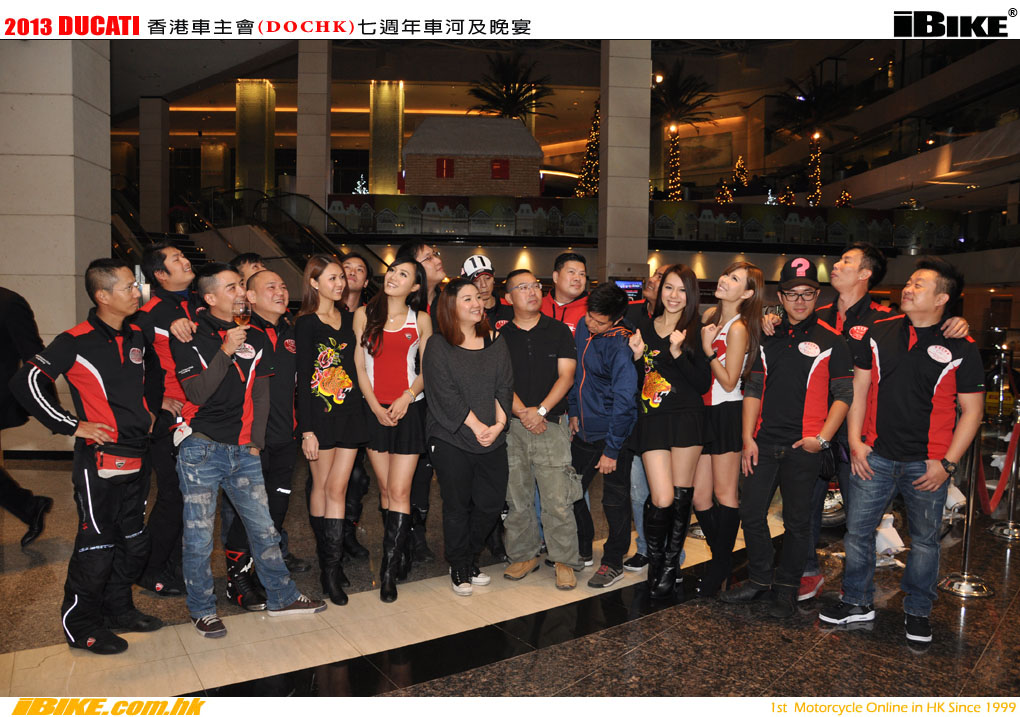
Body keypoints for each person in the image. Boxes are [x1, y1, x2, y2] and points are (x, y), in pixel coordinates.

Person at [821, 257, 984, 644]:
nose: (908, 289)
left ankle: (918, 610)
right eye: (908, 282)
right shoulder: (879, 330)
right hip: (874, 455)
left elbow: (973, 411)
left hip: (928, 463)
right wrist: (856, 442)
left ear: (942, 298)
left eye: (919, 285)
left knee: (925, 541)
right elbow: (860, 388)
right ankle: (857, 601)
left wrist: (948, 464)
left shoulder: (961, 345)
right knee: (858, 534)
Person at [11, 259, 161, 654]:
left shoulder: (136, 335)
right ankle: (81, 626)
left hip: (138, 454)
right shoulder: (75, 341)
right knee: (97, 546)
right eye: (128, 287)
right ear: (102, 296)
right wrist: (71, 424)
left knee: (134, 542)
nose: (137, 292)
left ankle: (118, 609)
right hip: (99, 462)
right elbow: (26, 381)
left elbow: (145, 379)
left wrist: (149, 409)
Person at [171, 263, 325, 637]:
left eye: (241, 285)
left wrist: (254, 442)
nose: (241, 292)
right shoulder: (189, 334)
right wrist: (226, 349)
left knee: (265, 530)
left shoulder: (254, 335)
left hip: (243, 451)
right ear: (210, 298)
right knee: (199, 538)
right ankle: (202, 609)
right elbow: (196, 393)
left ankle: (281, 596)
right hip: (201, 449)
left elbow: (260, 392)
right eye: (232, 287)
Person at [721, 257, 852, 619]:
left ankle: (788, 589)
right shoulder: (767, 335)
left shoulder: (832, 340)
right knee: (751, 513)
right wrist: (747, 438)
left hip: (804, 447)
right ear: (780, 297)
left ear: (817, 296)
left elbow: (844, 395)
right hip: (762, 443)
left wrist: (821, 440)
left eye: (807, 293)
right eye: (792, 294)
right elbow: (753, 387)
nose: (799, 300)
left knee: (797, 522)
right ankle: (760, 579)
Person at [218, 269, 309, 611]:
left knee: (275, 513)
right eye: (271, 286)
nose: (281, 291)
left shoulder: (293, 332)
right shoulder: (238, 332)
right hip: (247, 441)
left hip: (285, 438)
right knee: (247, 514)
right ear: (251, 297)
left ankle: (259, 574)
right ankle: (237, 582)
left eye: (283, 285)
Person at [422, 278, 513, 596]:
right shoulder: (437, 345)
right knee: (457, 505)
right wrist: (476, 426)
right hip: (450, 436)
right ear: (451, 306)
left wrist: (499, 424)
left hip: (493, 434)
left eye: (478, 297)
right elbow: (445, 394)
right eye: (468, 299)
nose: (477, 303)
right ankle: (460, 564)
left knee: (490, 504)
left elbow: (504, 385)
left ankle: (469, 555)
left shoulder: (495, 339)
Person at [629, 264, 713, 599]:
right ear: (659, 290)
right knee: (661, 498)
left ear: (690, 295)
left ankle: (668, 564)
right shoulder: (644, 328)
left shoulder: (697, 330)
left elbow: (702, 383)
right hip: (653, 418)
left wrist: (678, 354)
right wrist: (638, 358)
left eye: (681, 290)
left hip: (687, 418)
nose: (674, 296)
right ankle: (656, 560)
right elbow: (645, 381)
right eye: (668, 288)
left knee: (680, 496)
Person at [353, 256, 432, 602]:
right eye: (391, 271)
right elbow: (360, 366)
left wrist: (407, 397)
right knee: (386, 490)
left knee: (399, 491)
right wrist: (374, 407)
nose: (393, 277)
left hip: (409, 411)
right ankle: (402, 550)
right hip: (374, 411)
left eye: (403, 274)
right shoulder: (364, 315)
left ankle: (388, 571)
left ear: (415, 286)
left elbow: (427, 369)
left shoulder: (421, 320)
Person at [500, 269, 583, 590]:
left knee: (558, 498)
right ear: (508, 298)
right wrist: (524, 413)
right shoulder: (500, 335)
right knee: (517, 497)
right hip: (513, 426)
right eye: (522, 287)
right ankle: (523, 554)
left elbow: (567, 376)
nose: (532, 292)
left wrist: (541, 411)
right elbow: (500, 381)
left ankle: (564, 560)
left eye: (535, 285)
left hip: (551, 424)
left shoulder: (558, 330)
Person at [296, 255, 369, 607]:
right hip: (320, 415)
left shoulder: (353, 319)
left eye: (342, 277)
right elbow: (303, 380)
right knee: (323, 486)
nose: (340, 283)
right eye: (332, 278)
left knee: (339, 488)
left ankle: (333, 565)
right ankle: (328, 567)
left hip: (351, 412)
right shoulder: (306, 324)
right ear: (314, 282)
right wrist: (307, 430)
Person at [691, 262, 763, 596]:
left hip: (726, 411)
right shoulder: (710, 317)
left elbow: (731, 380)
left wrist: (708, 351)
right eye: (725, 274)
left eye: (734, 279)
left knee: (725, 494)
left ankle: (719, 567)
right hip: (703, 412)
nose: (723, 279)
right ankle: (722, 559)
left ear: (747, 293)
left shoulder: (739, 328)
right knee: (699, 497)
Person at [133, 242, 198, 596]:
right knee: (174, 496)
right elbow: (130, 367)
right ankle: (150, 570)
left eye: (183, 256)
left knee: (191, 497)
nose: (185, 261)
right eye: (177, 259)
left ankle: (174, 566)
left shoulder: (195, 303)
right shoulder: (150, 314)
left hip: (199, 413)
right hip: (170, 420)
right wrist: (156, 403)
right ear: (160, 274)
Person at [568, 283, 638, 588]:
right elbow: (577, 374)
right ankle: (583, 547)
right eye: (589, 317)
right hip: (584, 428)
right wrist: (574, 409)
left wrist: (612, 449)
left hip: (614, 433)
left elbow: (625, 401)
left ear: (617, 319)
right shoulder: (584, 329)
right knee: (569, 490)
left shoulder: (621, 344)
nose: (591, 324)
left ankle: (613, 561)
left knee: (614, 499)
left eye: (599, 321)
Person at [395, 241, 445, 563]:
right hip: (411, 400)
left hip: (444, 402)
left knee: (429, 472)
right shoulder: (401, 307)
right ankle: (407, 537)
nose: (437, 260)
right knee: (407, 474)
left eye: (435, 254)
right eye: (428, 257)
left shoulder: (448, 301)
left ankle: (420, 532)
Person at [0, 286, 53, 547]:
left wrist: (50, 409)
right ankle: (29, 506)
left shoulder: (8, 302)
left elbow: (34, 356)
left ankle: (29, 506)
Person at [622, 265, 665, 572]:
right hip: (637, 415)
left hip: (669, 419)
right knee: (638, 491)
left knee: (668, 494)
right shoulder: (631, 314)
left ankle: (670, 555)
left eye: (662, 278)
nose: (652, 280)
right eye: (655, 275)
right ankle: (645, 548)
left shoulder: (681, 323)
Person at [339, 251, 374, 560]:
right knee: (325, 478)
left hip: (363, 404)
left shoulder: (372, 316)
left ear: (366, 281)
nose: (351, 272)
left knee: (358, 477)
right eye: (345, 267)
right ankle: (330, 539)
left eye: (358, 269)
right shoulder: (322, 312)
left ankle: (347, 533)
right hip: (331, 404)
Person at [541, 252, 588, 335]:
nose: (577, 278)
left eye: (582, 274)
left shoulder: (594, 308)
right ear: (556, 277)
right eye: (571, 272)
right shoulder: (537, 307)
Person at [462, 254, 513, 330]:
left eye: (488, 278)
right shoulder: (463, 312)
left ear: (494, 277)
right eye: (477, 280)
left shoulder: (510, 307)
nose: (484, 285)